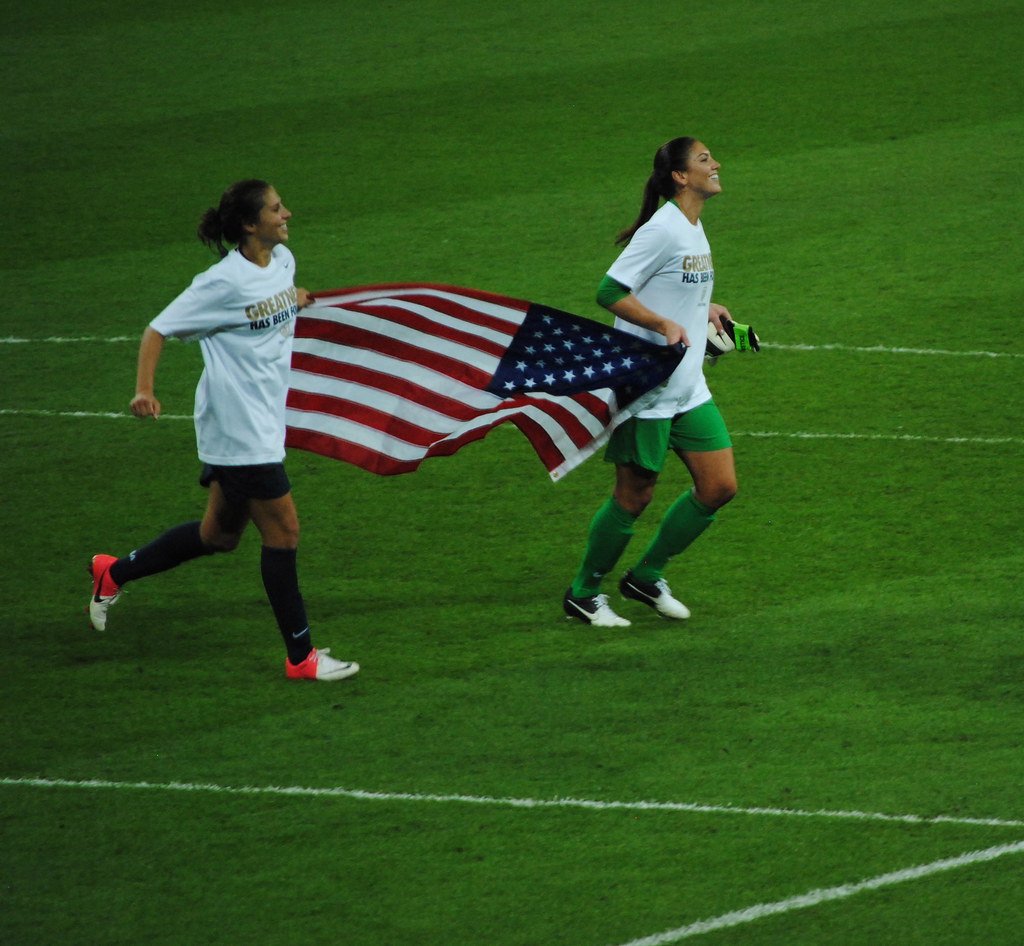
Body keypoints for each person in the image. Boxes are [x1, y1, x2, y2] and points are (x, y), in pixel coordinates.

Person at [88, 179, 358, 681]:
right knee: (285, 532)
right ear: (250, 225)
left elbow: (271, 305)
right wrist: (143, 390)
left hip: (260, 422)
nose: (288, 214)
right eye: (277, 210)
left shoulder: (282, 264)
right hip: (239, 430)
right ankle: (301, 657)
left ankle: (114, 571)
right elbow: (158, 328)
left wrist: (293, 298)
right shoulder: (220, 282)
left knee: (219, 535)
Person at [563, 138, 739, 627]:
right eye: (705, 160)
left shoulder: (692, 225)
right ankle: (584, 592)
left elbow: (674, 289)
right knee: (635, 496)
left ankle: (647, 575)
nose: (716, 164)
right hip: (648, 388)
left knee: (719, 486)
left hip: (687, 386)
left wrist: (708, 308)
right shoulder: (663, 230)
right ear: (681, 176)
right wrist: (663, 326)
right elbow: (609, 291)